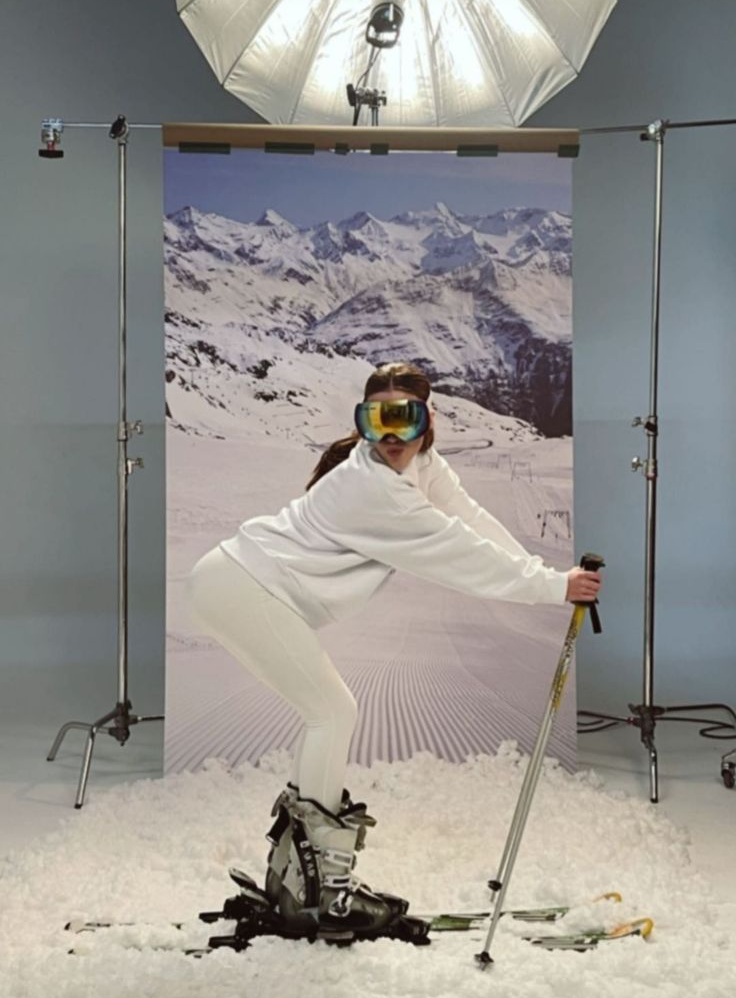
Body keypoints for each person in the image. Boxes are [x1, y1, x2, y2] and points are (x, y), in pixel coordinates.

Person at [187, 360, 602, 936]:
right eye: (374, 420)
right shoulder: (373, 489)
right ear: (359, 423)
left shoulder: (424, 465)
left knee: (328, 712)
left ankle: (301, 882)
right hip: (241, 586)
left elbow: (470, 521)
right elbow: (460, 555)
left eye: (402, 420)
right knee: (332, 711)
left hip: (241, 583)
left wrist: (543, 572)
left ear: (427, 423)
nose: (388, 437)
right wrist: (553, 586)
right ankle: (319, 889)